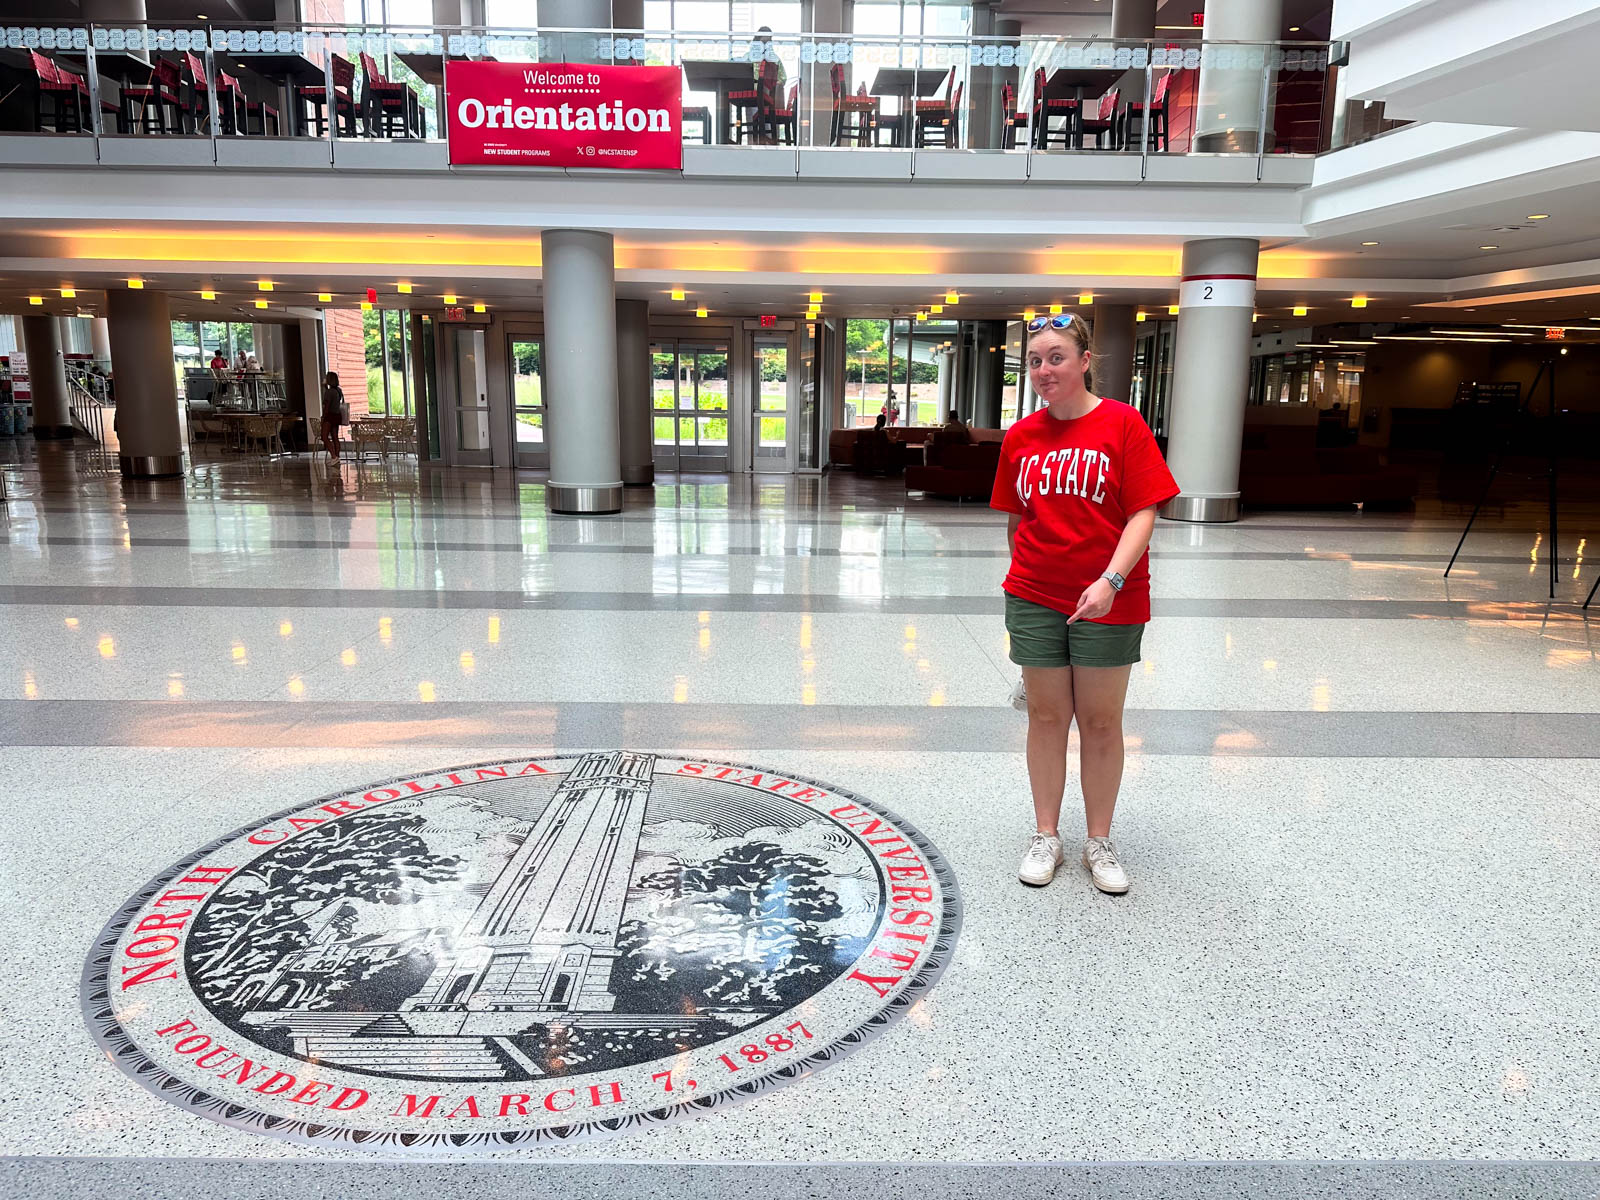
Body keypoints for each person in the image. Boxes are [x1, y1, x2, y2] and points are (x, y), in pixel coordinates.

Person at [990, 312, 1179, 895]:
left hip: (1111, 598)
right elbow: (1019, 519)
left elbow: (1144, 511)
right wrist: (1025, 575)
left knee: (1100, 721)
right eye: (1036, 361)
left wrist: (1111, 582)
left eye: (1057, 358)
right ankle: (1046, 834)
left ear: (1085, 360)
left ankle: (1099, 839)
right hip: (1036, 595)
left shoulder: (1123, 425)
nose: (1045, 370)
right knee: (1047, 718)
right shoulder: (1022, 436)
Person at [319, 371, 346, 462]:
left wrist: (323, 417)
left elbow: (327, 406)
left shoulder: (329, 392)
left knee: (324, 436)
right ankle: (337, 456)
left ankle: (333, 456)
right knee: (335, 437)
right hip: (337, 415)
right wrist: (325, 387)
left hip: (329, 416)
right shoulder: (338, 390)